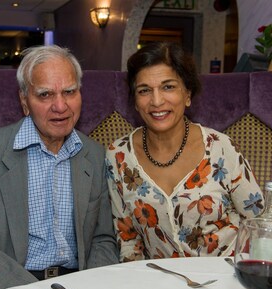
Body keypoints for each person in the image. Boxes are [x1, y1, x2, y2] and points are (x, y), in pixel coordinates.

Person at [0, 45, 119, 289]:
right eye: (45, 95)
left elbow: (103, 238)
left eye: (69, 92)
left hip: (80, 285)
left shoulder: (95, 154)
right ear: (24, 101)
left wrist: (91, 288)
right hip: (12, 287)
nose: (60, 106)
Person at [106, 41, 264, 262]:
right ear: (134, 101)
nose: (157, 101)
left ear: (187, 94)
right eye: (144, 91)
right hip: (161, 285)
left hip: (227, 280)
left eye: (168, 86)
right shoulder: (118, 156)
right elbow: (128, 240)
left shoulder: (220, 147)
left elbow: (260, 224)